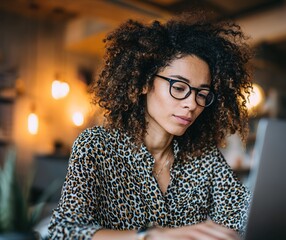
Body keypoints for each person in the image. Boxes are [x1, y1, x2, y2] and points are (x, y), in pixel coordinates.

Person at [48, 12, 253, 240]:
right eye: (178, 88)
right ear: (144, 83)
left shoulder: (203, 157)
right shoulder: (96, 146)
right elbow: (65, 232)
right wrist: (149, 237)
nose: (192, 104)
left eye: (202, 94)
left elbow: (245, 218)